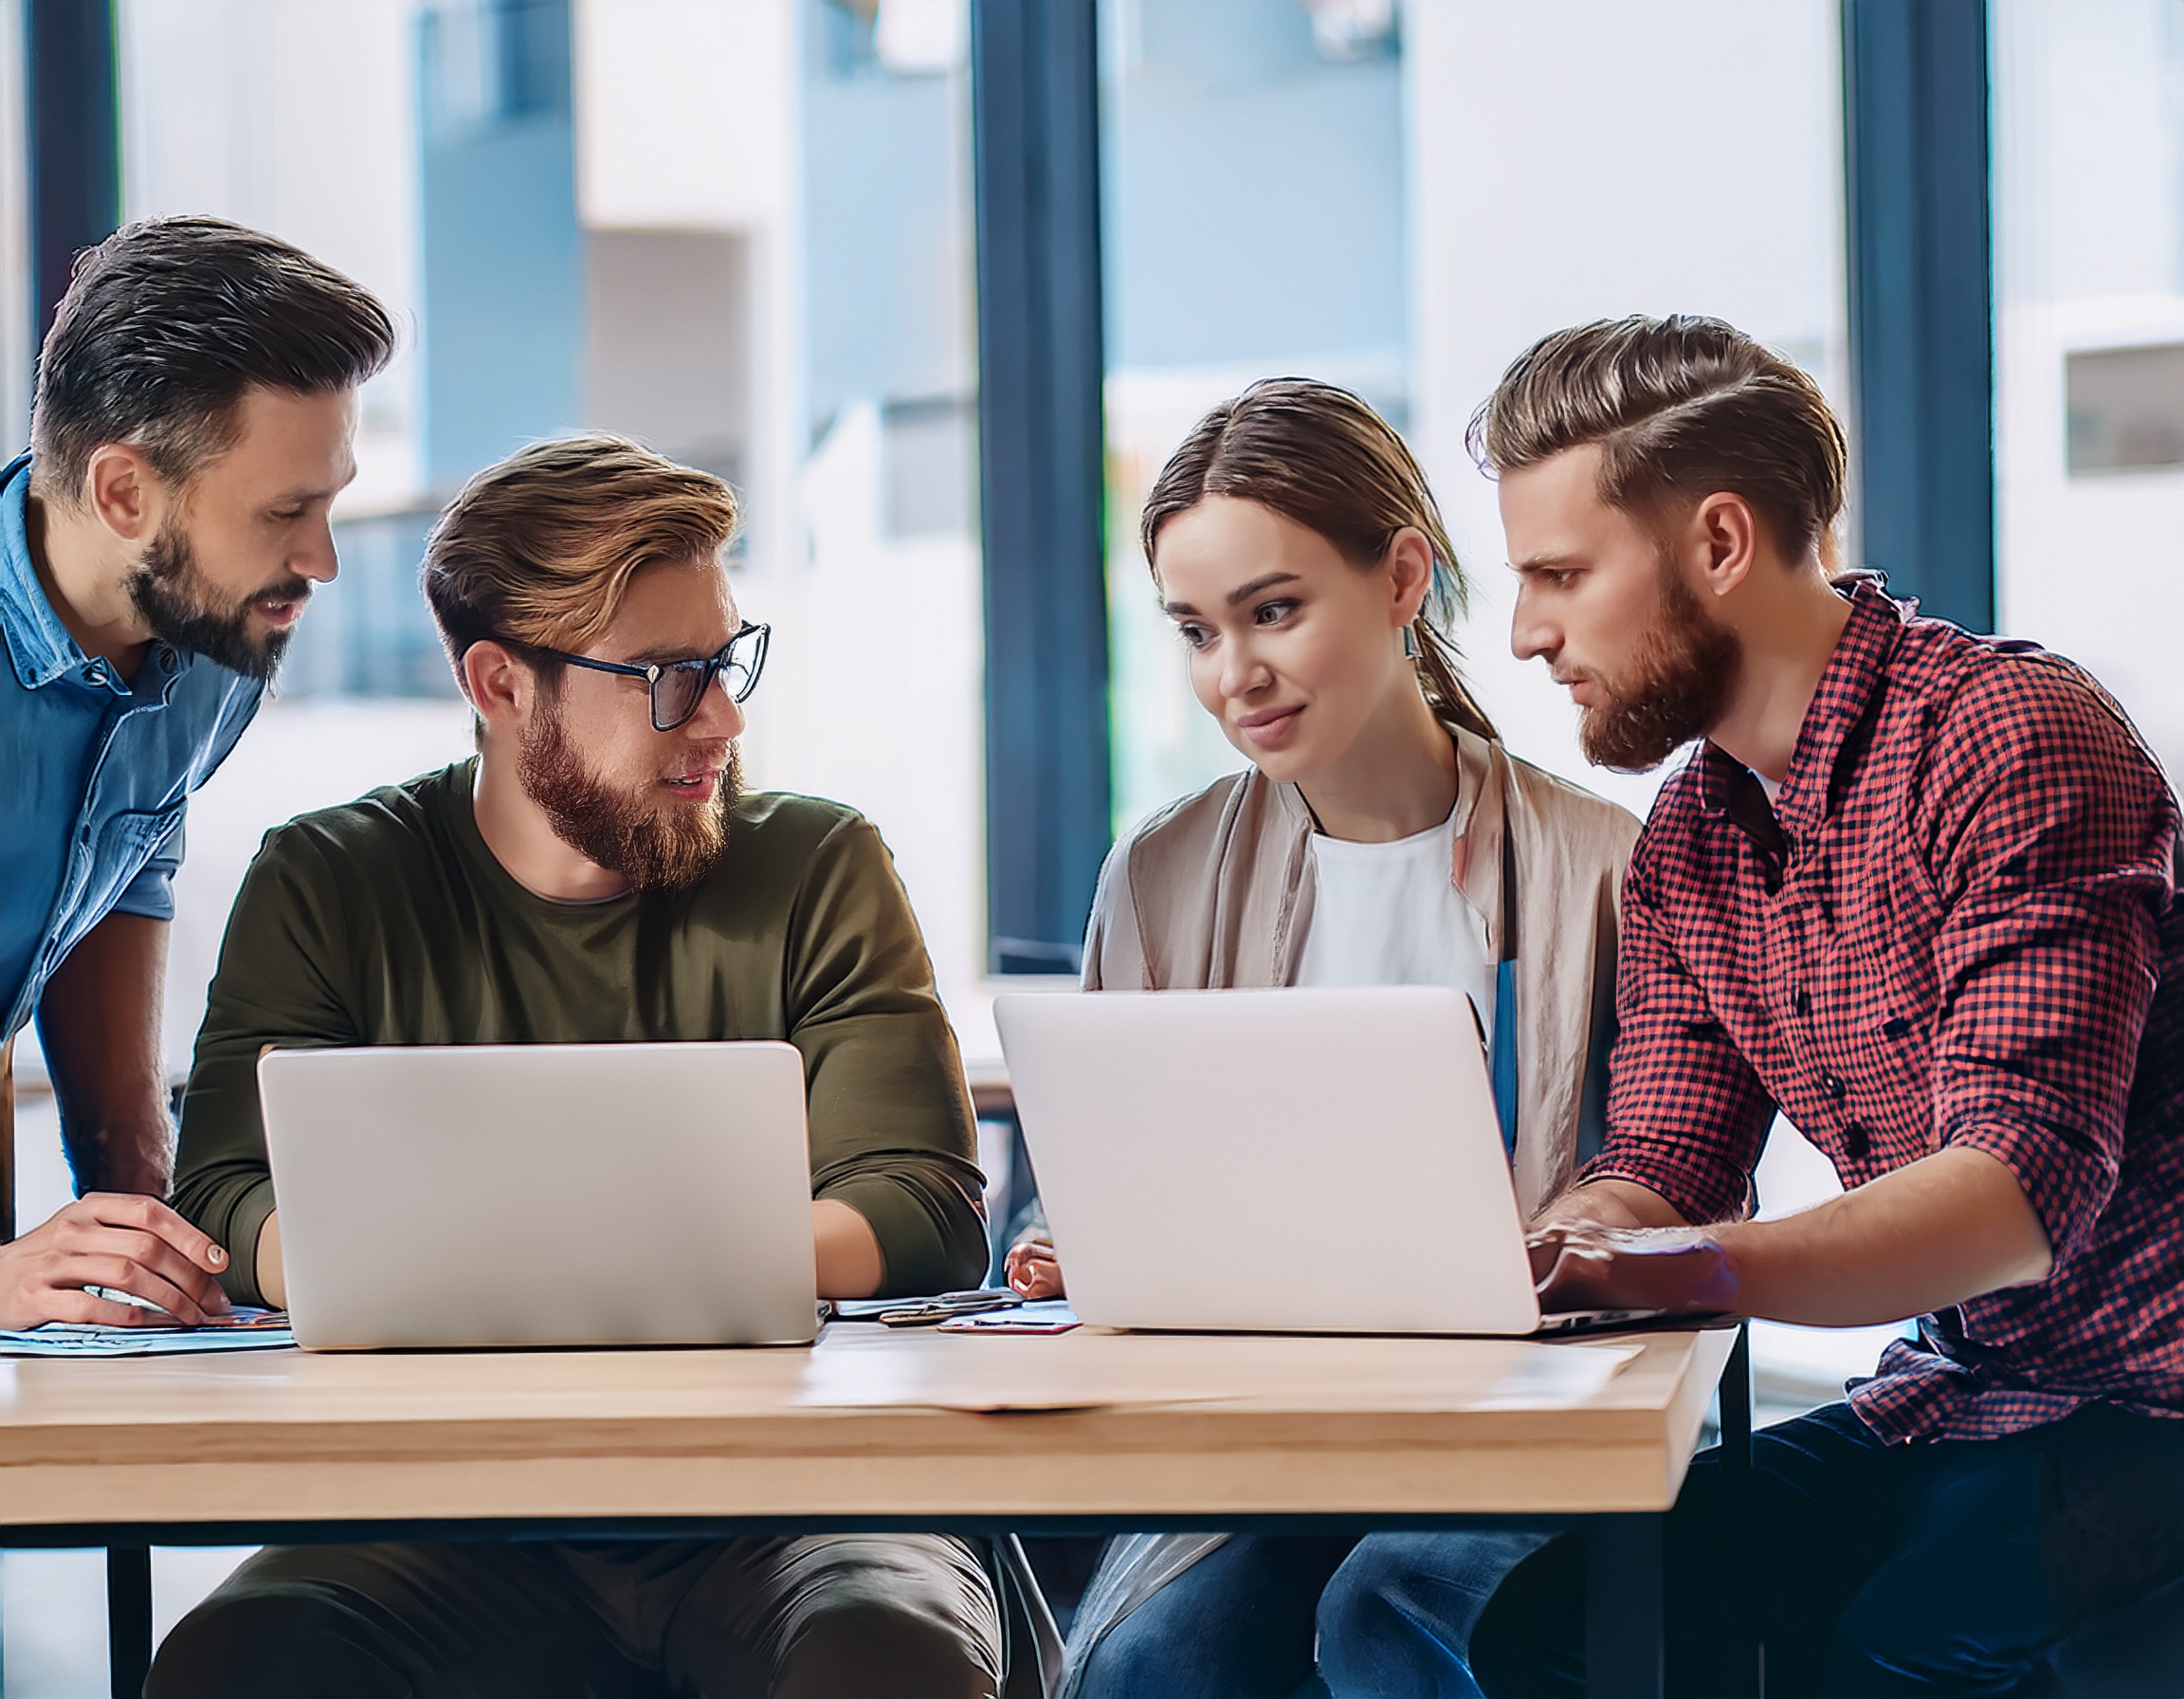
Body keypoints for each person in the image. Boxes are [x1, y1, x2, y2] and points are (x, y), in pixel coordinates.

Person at [153, 437, 1042, 1699]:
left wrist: (480, 1273)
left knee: (893, 1650)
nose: (724, 719)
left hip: (801, 1501)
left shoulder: (820, 866)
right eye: (670, 680)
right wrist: (626, 1265)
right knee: (239, 1665)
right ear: (503, 683)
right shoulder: (329, 879)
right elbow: (223, 1196)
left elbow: (921, 1207)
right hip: (436, 1516)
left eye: (725, 664)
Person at [1450, 315, 2184, 1696]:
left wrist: (1675, 1269)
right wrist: (1544, 1248)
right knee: (1554, 1630)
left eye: (1559, 574)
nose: (1528, 633)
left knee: (1897, 1647)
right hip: (1965, 1402)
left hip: (2156, 1402)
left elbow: (2013, 1199)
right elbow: (1661, 1168)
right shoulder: (1692, 841)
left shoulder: (2012, 737)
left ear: (1718, 544)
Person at [1000, 379, 1640, 1699]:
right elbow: (1131, 1178)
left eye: (1273, 611)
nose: (1235, 675)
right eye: (1196, 629)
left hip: (1518, 1426)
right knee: (1143, 1665)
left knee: (1389, 1613)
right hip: (1269, 1435)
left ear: (1403, 577)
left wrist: (1559, 1251)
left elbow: (1676, 1183)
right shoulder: (1161, 875)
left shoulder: (1603, 868)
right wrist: (1098, 1248)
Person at [0, 216, 392, 1330]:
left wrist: (142, 1201)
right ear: (124, 493)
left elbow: (123, 860)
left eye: (328, 502)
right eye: (284, 514)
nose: (319, 561)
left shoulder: (213, 643)